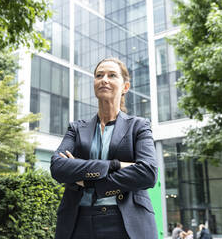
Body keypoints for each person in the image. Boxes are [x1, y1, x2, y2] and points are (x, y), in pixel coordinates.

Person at [50, 58, 158, 239]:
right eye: (99, 75)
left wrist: (93, 183)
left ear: (125, 87)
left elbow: (147, 173)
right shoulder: (76, 128)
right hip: (78, 222)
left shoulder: (139, 126)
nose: (104, 80)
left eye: (112, 75)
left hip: (126, 223)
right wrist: (114, 165)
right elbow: (58, 167)